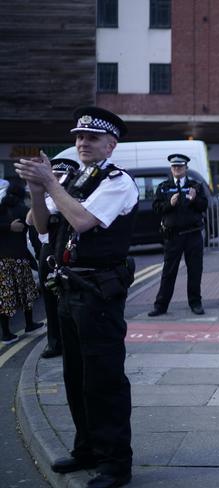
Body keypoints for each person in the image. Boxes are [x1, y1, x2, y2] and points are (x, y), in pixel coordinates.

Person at [16, 106, 137, 488]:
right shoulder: (74, 178)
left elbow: (84, 221)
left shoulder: (117, 182)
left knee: (104, 380)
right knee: (76, 376)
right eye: (78, 137)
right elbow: (40, 223)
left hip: (99, 292)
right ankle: (87, 448)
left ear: (110, 145)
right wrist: (38, 191)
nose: (82, 143)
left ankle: (116, 464)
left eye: (92, 138)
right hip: (69, 289)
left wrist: (50, 183)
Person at [148, 154, 208, 317]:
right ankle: (161, 305)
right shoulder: (164, 187)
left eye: (180, 167)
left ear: (186, 168)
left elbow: (204, 206)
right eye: (174, 167)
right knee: (169, 271)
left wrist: (195, 200)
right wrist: (170, 204)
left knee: (195, 270)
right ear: (171, 169)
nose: (177, 169)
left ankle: (195, 303)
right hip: (173, 236)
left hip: (193, 234)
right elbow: (156, 208)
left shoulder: (195, 185)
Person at [39, 158, 81, 358]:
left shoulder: (72, 195)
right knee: (49, 298)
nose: (55, 179)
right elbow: (33, 219)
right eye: (53, 175)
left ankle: (71, 341)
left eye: (60, 176)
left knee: (68, 299)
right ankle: (54, 342)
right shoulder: (48, 196)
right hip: (47, 249)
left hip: (66, 249)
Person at [0, 181, 44, 345]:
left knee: (6, 297)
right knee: (26, 292)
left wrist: (6, 227)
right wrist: (39, 256)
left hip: (2, 261)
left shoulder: (1, 209)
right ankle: (30, 324)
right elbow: (34, 238)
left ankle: (6, 333)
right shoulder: (24, 210)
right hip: (20, 258)